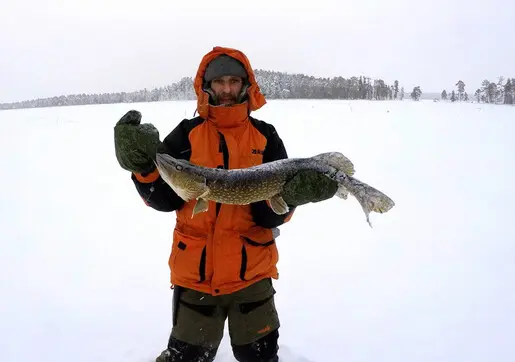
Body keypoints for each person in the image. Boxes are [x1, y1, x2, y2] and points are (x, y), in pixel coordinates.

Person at [113, 46, 337, 362]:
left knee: (260, 358)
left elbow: (267, 216)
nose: (227, 89)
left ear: (246, 85)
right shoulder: (186, 134)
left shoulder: (265, 136)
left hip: (253, 275)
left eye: (234, 81)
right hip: (196, 277)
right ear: (207, 86)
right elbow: (163, 198)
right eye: (220, 82)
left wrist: (288, 198)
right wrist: (143, 168)